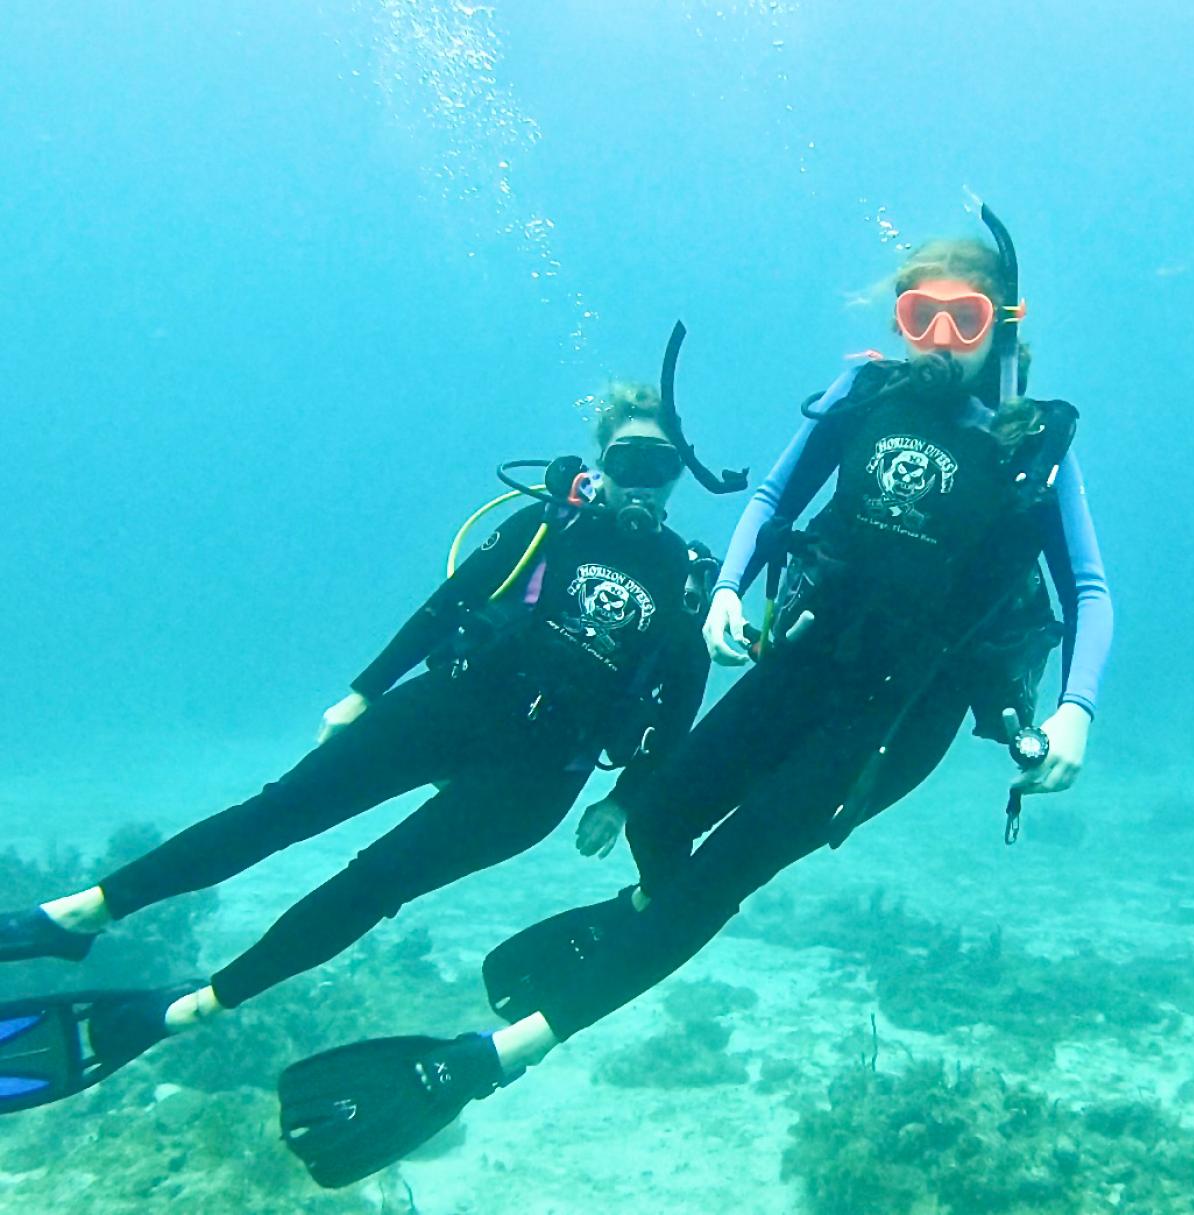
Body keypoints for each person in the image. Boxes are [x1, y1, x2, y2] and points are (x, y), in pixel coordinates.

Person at [275, 207, 1115, 1190]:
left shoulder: (1031, 453)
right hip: (799, 662)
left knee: (728, 865)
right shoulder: (861, 395)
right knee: (663, 814)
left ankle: (495, 1055)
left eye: (961, 321)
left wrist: (1074, 710)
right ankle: (639, 913)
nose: (933, 341)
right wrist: (723, 590)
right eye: (915, 315)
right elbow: (769, 499)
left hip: (893, 714)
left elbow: (1088, 589)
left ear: (999, 329)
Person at [0, 380, 715, 1116]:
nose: (642, 479)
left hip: (535, 776)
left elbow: (684, 697)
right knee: (279, 812)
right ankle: (79, 915)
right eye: (628, 458)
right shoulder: (549, 524)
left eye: (661, 464)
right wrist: (365, 689)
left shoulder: (684, 577)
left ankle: (199, 1005)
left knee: (374, 883)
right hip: (454, 703)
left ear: (679, 474)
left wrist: (624, 797)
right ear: (601, 459)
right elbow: (450, 604)